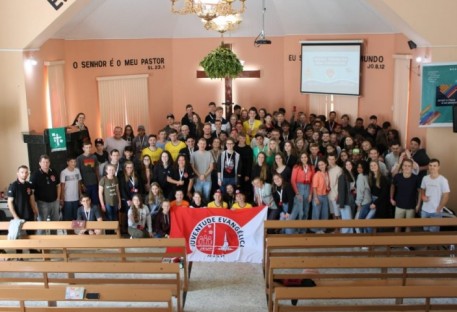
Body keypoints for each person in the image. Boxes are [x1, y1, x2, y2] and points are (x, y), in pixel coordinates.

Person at [390, 159, 421, 233]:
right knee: (397, 226)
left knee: (409, 227)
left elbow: (420, 192)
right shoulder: (397, 176)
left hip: (411, 206)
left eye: (409, 166)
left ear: (412, 167)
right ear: (402, 167)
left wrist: (418, 204)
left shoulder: (416, 178)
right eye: (405, 165)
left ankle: (406, 244)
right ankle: (396, 243)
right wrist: (391, 198)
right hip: (399, 205)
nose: (407, 167)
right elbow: (392, 186)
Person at [420, 159, 450, 232]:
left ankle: (432, 243)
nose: (432, 167)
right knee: (425, 229)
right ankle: (426, 243)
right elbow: (422, 189)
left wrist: (440, 208)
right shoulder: (425, 178)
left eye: (434, 166)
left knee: (434, 232)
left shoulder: (443, 180)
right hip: (425, 210)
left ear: (438, 167)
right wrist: (423, 196)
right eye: (430, 165)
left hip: (436, 211)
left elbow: (446, 195)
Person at [30, 155, 61, 225]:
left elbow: (58, 186)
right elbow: (31, 192)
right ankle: (41, 236)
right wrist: (34, 206)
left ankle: (54, 236)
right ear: (40, 163)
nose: (45, 164)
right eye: (43, 162)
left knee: (55, 224)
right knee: (42, 225)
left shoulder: (53, 171)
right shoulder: (35, 175)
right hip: (42, 203)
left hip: (54, 202)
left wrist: (58, 198)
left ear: (49, 163)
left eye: (47, 162)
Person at [119, 160, 142, 234]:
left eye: (131, 167)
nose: (129, 169)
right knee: (129, 213)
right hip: (127, 199)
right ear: (125, 168)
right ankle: (127, 229)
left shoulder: (136, 175)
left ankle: (137, 228)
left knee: (137, 212)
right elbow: (122, 189)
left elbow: (139, 187)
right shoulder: (122, 176)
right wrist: (128, 200)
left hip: (136, 198)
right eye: (127, 167)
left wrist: (138, 198)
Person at [291, 152, 314, 222]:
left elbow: (313, 181)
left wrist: (310, 194)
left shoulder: (311, 167)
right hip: (299, 187)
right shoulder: (296, 167)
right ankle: (296, 229)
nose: (304, 159)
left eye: (305, 157)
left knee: (306, 209)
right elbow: (293, 180)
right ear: (300, 158)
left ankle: (303, 230)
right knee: (299, 209)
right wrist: (297, 193)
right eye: (302, 157)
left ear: (308, 158)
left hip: (308, 187)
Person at [76, 141, 99, 206]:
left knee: (95, 201)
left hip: (94, 182)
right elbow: (78, 172)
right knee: (86, 201)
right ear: (83, 148)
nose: (88, 149)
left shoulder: (94, 157)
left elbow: (96, 170)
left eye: (89, 147)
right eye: (86, 147)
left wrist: (98, 181)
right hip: (85, 184)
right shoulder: (79, 158)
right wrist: (81, 184)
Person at [191, 138, 213, 203]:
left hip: (208, 180)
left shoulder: (209, 153)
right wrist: (199, 175)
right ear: (198, 144)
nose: (202, 145)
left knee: (207, 197)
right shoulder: (193, 154)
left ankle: (206, 211)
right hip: (197, 180)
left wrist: (204, 175)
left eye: (204, 144)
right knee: (197, 197)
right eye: (201, 143)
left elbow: (211, 167)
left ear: (206, 145)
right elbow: (192, 167)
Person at [60, 156, 82, 221]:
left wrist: (80, 194)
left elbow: (78, 183)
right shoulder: (64, 172)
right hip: (67, 199)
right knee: (67, 217)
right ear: (68, 163)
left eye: (75, 162)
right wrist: (62, 198)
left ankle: (76, 231)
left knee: (76, 216)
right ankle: (68, 231)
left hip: (76, 197)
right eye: (71, 162)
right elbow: (62, 186)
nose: (73, 163)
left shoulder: (77, 170)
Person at [311, 159, 330, 233]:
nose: (321, 166)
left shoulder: (327, 173)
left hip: (325, 196)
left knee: (325, 214)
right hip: (318, 196)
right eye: (319, 165)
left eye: (322, 164)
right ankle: (315, 229)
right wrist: (315, 198)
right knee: (316, 214)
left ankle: (323, 229)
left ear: (325, 164)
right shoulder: (317, 174)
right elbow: (314, 187)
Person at [337, 160, 356, 233]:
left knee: (350, 220)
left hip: (351, 198)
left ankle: (350, 236)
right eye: (347, 165)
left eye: (350, 164)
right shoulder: (342, 176)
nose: (349, 166)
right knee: (346, 220)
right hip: (345, 201)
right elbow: (341, 191)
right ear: (344, 167)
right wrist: (341, 204)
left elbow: (351, 186)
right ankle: (345, 237)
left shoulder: (352, 174)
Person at [354, 160, 372, 233]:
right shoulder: (367, 175)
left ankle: (362, 240)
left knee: (358, 223)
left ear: (365, 168)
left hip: (363, 202)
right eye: (358, 167)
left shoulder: (360, 176)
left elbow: (361, 191)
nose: (359, 169)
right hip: (368, 201)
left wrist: (359, 203)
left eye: (361, 167)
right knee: (364, 222)